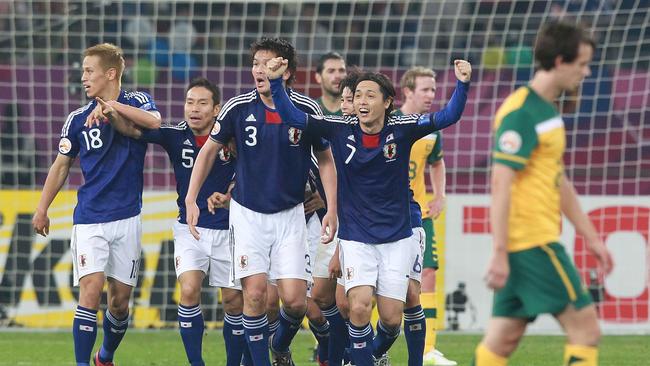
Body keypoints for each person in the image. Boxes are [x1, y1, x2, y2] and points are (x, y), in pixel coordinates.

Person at [266, 56, 471, 366]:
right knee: (359, 307)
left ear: (388, 102)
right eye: (358, 95)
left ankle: (372, 355)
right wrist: (277, 83)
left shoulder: (402, 128)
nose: (361, 101)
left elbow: (448, 116)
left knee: (391, 320)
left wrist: (463, 83)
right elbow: (294, 117)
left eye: (370, 95)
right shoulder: (339, 127)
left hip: (397, 238)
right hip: (357, 238)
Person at [185, 37, 338, 366]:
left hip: (291, 216)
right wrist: (191, 197)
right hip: (247, 216)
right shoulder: (238, 108)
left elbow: (326, 160)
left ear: (286, 70)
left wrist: (331, 209)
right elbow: (209, 150)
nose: (258, 70)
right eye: (255, 63)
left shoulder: (306, 109)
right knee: (254, 295)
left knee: (296, 303)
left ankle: (279, 347)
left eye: (267, 64)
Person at [472, 21, 613, 366]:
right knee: (586, 331)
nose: (587, 72)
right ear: (560, 61)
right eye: (582, 64)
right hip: (531, 243)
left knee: (501, 341)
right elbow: (500, 181)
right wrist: (500, 251)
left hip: (526, 244)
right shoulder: (522, 112)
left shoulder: (546, 111)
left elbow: (558, 181)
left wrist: (592, 238)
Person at [103, 77, 250, 366]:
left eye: (202, 103)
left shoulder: (233, 140)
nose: (194, 109)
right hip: (189, 229)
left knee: (234, 302)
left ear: (217, 109)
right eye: (189, 102)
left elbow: (250, 175)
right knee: (189, 289)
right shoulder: (174, 134)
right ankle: (196, 363)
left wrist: (229, 194)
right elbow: (133, 131)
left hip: (230, 231)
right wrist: (112, 113)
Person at [31, 43, 161, 366]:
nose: (84, 78)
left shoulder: (138, 100)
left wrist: (113, 109)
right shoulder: (76, 120)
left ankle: (105, 356)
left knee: (119, 303)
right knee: (90, 290)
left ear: (111, 73)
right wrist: (42, 208)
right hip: (89, 217)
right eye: (83, 71)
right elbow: (61, 165)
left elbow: (153, 122)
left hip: (127, 217)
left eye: (89, 71)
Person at [398, 67, 456, 366]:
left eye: (434, 90)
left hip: (420, 214)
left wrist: (440, 194)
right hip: (388, 215)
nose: (432, 96)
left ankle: (428, 350)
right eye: (425, 90)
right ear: (407, 91)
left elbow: (437, 162)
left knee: (428, 276)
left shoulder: (431, 129)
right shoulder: (389, 122)